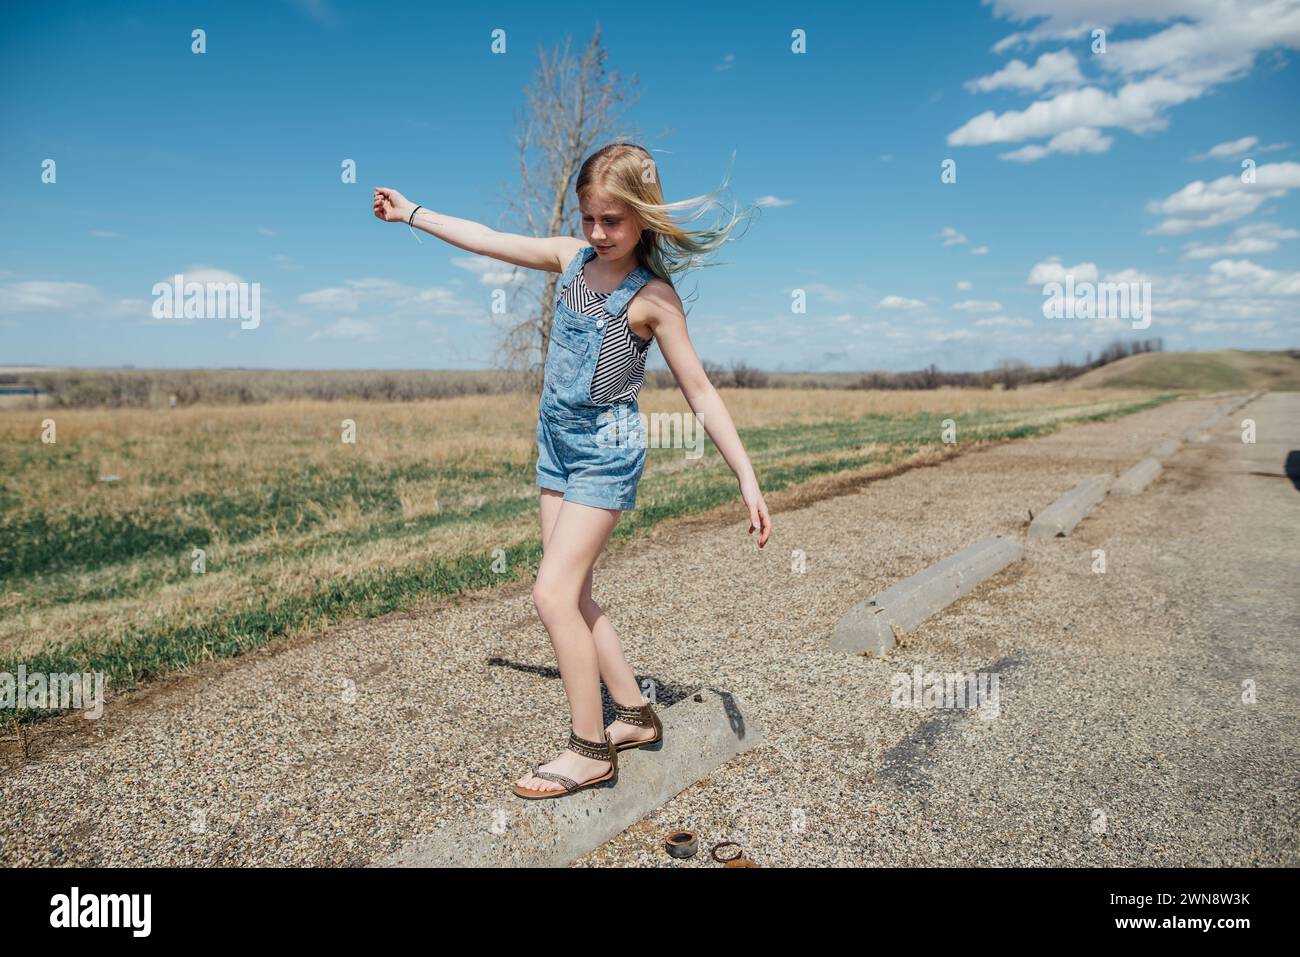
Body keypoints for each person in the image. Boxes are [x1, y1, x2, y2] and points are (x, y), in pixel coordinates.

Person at [373, 142, 772, 799]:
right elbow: (489, 239)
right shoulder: (571, 260)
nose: (596, 233)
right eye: (588, 218)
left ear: (643, 218)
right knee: (576, 593)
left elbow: (700, 391)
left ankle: (590, 749)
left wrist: (747, 477)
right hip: (555, 443)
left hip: (605, 451)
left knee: (551, 594)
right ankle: (636, 714)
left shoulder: (654, 299)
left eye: (611, 221)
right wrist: (414, 212)